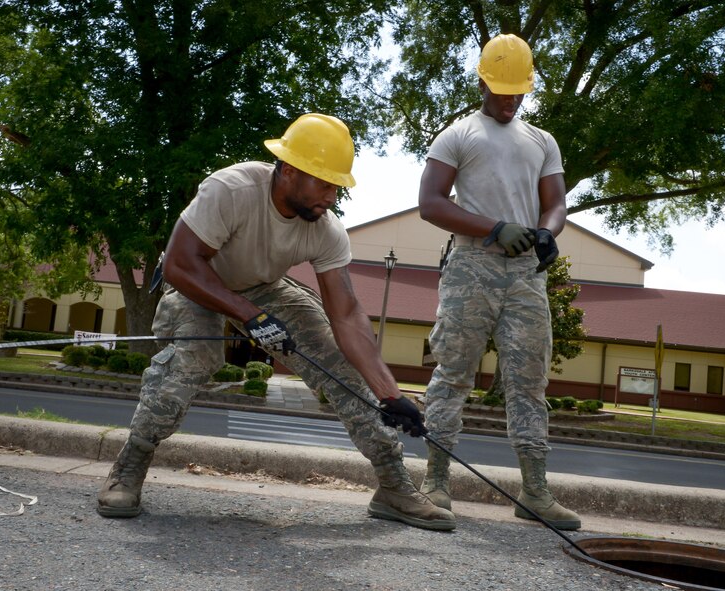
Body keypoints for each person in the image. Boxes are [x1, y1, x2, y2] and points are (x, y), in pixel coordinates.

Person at [97, 113, 455, 531]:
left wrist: (389, 394)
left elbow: (347, 314)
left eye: (336, 185)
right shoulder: (232, 189)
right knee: (196, 356)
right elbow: (179, 265)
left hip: (263, 288)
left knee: (337, 359)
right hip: (198, 282)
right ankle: (129, 466)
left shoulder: (326, 229)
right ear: (288, 171)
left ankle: (394, 485)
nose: (331, 195)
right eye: (323, 183)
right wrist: (249, 316)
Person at [417, 34, 581, 530]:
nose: (510, 101)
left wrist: (548, 233)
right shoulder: (458, 134)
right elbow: (431, 202)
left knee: (530, 382)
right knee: (453, 373)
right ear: (484, 81)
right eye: (502, 91)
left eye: (519, 93)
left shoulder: (542, 141)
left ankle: (534, 491)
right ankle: (435, 481)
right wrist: (492, 227)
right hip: (472, 267)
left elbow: (554, 203)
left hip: (525, 275)